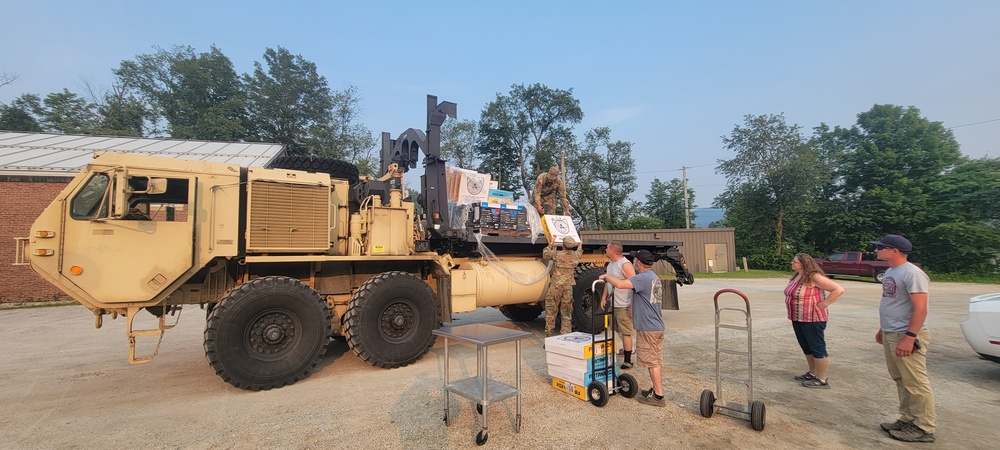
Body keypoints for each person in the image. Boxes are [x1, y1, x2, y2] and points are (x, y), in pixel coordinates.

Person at [872, 234, 936, 443]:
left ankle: (923, 427)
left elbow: (920, 309)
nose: (875, 250)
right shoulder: (891, 271)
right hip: (892, 332)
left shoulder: (912, 274)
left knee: (915, 381)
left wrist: (910, 337)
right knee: (900, 378)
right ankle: (908, 418)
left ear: (894, 250)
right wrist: (883, 328)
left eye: (880, 247)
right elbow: (893, 303)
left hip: (905, 334)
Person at [600, 249, 666, 407]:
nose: (634, 262)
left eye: (635, 260)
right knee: (655, 360)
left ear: (639, 263)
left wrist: (607, 276)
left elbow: (621, 284)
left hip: (648, 328)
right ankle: (656, 390)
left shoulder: (642, 278)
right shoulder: (653, 277)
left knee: (652, 362)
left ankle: (658, 396)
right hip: (656, 326)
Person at [785, 253, 844, 388]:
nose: (792, 264)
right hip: (798, 317)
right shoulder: (797, 276)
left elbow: (838, 289)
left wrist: (825, 303)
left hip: (812, 319)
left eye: (795, 262)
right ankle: (812, 372)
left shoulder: (814, 276)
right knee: (806, 347)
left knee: (817, 347)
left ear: (804, 264)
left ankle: (822, 379)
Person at [600, 242, 637, 369]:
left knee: (626, 332)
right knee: (617, 329)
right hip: (613, 303)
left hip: (623, 304)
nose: (605, 249)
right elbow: (608, 282)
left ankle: (628, 360)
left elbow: (634, 284)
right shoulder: (611, 264)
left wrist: (632, 304)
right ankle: (626, 349)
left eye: (607, 248)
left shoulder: (625, 264)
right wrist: (604, 297)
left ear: (612, 251)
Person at [542, 236, 583, 336]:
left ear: (562, 245)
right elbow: (579, 252)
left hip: (556, 286)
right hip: (568, 287)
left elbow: (545, 253)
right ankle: (565, 335)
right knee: (566, 312)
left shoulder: (558, 255)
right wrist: (580, 245)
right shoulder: (575, 256)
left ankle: (549, 335)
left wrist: (551, 243)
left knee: (551, 310)